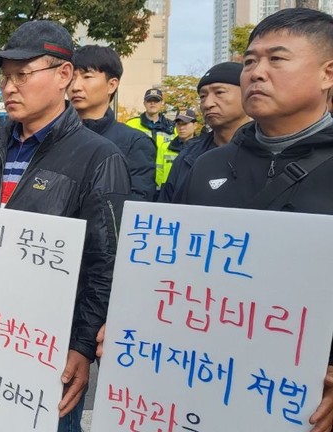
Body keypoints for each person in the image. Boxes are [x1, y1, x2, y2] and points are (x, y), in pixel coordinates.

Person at [108, 10, 333, 432]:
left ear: (328, 73)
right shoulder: (209, 164)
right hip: (203, 383)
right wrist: (129, 320)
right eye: (250, 61)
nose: (256, 74)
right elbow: (172, 267)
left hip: (301, 403)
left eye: (277, 60)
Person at [0, 21, 130, 432]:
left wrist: (81, 347)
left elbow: (105, 264)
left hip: (50, 349)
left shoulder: (98, 157)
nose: (8, 87)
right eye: (5, 78)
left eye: (22, 75)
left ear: (64, 75)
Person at [70, 44, 156, 201]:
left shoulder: (134, 143)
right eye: (72, 77)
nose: (75, 86)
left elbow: (135, 205)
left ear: (112, 85)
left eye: (87, 77)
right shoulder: (54, 135)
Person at [158, 62, 249, 203]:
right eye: (202, 96)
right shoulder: (188, 157)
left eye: (219, 92)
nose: (208, 104)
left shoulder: (272, 152)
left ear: (247, 93)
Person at [126, 88, 178, 192]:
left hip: (165, 185)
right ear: (144, 103)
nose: (152, 103)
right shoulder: (131, 125)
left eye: (156, 100)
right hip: (137, 183)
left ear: (162, 103)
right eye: (149, 100)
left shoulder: (173, 128)